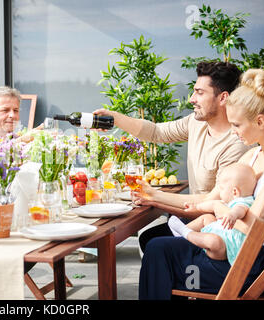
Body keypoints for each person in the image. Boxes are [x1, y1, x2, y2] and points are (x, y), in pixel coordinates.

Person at [137, 68, 264, 299]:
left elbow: (251, 230)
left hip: (246, 266)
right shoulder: (252, 157)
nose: (234, 132)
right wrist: (153, 195)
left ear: (260, 121)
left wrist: (218, 209)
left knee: (160, 256)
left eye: (236, 125)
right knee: (159, 246)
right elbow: (211, 199)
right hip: (230, 251)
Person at [94, 61, 250, 252]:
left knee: (151, 241)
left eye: (200, 93)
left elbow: (212, 200)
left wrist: (154, 195)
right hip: (193, 214)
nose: (192, 98)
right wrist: (115, 118)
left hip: (217, 228)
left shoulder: (237, 145)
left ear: (223, 98)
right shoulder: (197, 122)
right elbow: (156, 132)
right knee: (149, 237)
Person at [168, 162, 256, 265]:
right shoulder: (230, 202)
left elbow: (240, 210)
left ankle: (187, 233)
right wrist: (195, 207)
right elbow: (210, 205)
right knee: (207, 217)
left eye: (222, 189)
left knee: (214, 241)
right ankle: (180, 234)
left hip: (225, 248)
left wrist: (232, 214)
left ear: (235, 192)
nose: (220, 192)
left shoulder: (245, 202)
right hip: (221, 233)